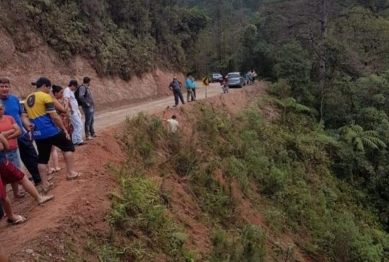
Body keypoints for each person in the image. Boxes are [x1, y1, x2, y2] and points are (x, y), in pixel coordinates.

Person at [23, 77, 80, 192]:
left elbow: (23, 116)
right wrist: (64, 129)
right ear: (45, 86)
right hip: (50, 130)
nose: (49, 90)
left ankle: (45, 184)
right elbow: (54, 116)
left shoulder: (27, 99)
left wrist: (28, 125)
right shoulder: (46, 97)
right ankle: (70, 172)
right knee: (68, 146)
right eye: (49, 88)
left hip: (38, 133)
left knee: (42, 158)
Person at [0, 78, 42, 187]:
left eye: (6, 86)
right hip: (6, 139)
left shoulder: (14, 99)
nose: (4, 89)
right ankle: (16, 190)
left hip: (21, 134)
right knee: (11, 164)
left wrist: (26, 125)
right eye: (1, 86)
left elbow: (21, 114)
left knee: (31, 156)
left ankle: (39, 179)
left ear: (9, 87)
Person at [64, 80, 85, 146]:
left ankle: (74, 141)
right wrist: (71, 108)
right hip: (72, 111)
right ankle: (79, 140)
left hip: (74, 110)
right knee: (79, 124)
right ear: (72, 85)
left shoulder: (70, 91)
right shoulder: (67, 90)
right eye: (75, 87)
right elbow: (66, 100)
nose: (75, 88)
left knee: (75, 126)